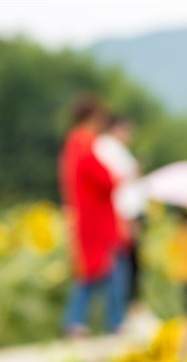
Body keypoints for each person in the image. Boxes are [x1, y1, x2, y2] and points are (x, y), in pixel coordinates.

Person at [59, 94, 125, 336]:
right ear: (93, 116)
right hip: (94, 217)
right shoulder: (84, 142)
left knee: (90, 270)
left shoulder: (73, 142)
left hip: (85, 214)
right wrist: (117, 177)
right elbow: (102, 177)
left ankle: (77, 321)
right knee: (105, 269)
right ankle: (111, 322)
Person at [93, 115, 146, 313]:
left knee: (130, 265)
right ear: (116, 128)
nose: (129, 135)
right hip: (122, 215)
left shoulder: (117, 150)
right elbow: (115, 185)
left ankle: (125, 311)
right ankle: (122, 313)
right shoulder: (106, 148)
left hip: (126, 213)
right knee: (123, 265)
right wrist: (127, 219)